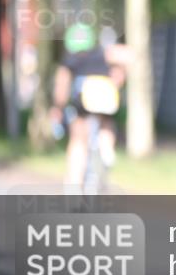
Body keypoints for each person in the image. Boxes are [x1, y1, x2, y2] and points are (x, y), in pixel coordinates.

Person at [49, 22, 131, 188]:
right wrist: (120, 76)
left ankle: (74, 183)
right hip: (106, 97)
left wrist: (58, 107)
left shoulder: (70, 60)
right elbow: (128, 55)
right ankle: (107, 149)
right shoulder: (103, 54)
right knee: (106, 123)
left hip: (83, 100)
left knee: (78, 139)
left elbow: (62, 86)